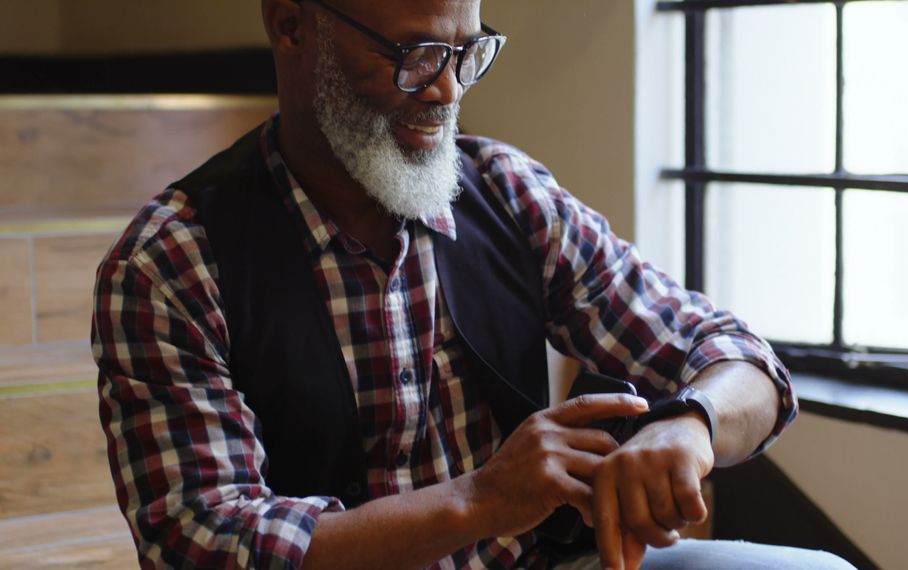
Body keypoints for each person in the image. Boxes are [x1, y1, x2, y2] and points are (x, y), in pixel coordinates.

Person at [91, 1, 854, 568]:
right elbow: (206, 544)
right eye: (415, 53)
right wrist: (480, 500)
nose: (448, 90)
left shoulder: (506, 193)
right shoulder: (173, 265)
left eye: (467, 51)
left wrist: (688, 424)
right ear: (292, 24)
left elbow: (742, 359)